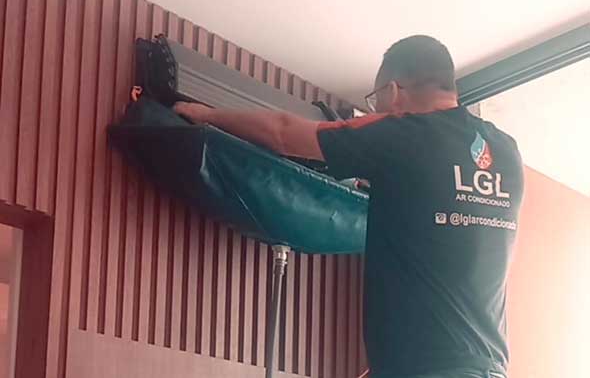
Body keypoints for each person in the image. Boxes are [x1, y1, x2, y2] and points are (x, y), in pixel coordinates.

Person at [174, 35, 524, 378]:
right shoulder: (506, 151)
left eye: (376, 99)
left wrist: (205, 113)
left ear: (393, 91)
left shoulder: (406, 132)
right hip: (489, 365)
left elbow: (283, 132)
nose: (377, 108)